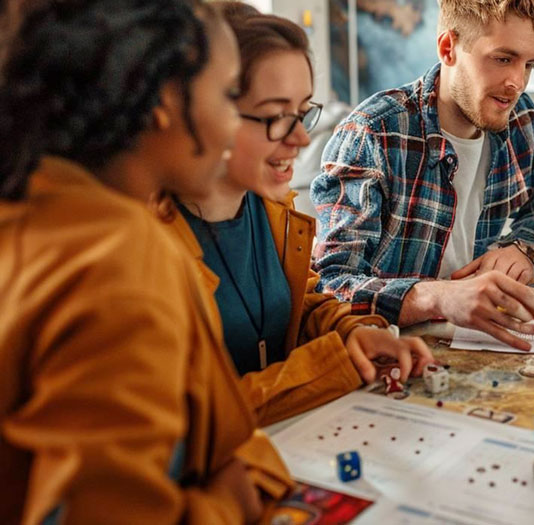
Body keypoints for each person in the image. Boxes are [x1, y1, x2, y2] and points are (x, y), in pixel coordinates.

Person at [0, 1, 291, 522]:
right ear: (163, 100)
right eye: (227, 96)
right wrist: (226, 504)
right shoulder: (120, 253)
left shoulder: (33, 208)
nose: (232, 127)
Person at [172, 2, 434, 426]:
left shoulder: (272, 207)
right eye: (276, 117)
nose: (299, 138)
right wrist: (333, 365)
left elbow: (302, 303)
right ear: (208, 112)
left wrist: (352, 332)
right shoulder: (148, 241)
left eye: (303, 112)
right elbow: (189, 421)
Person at [310, 0, 534, 350]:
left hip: (471, 342)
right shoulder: (373, 133)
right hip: (393, 348)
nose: (517, 83)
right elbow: (329, 285)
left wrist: (519, 249)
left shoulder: (520, 118)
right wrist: (438, 297)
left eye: (529, 65)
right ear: (448, 48)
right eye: (503, 59)